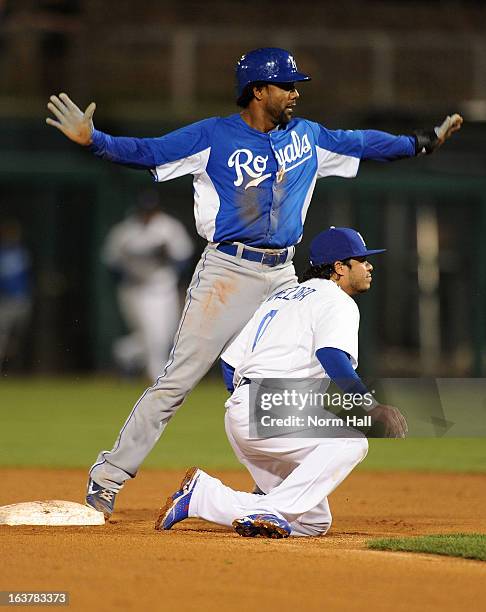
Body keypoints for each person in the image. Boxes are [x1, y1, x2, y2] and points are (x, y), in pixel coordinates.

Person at [45, 47, 460, 517]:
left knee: (285, 377)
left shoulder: (308, 137)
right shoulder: (213, 136)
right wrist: (94, 141)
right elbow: (149, 152)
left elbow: (363, 142)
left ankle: (272, 484)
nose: (295, 93)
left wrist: (419, 142)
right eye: (286, 85)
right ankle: (108, 477)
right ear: (257, 91)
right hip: (227, 272)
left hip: (283, 272)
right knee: (175, 382)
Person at [154, 227, 407, 538]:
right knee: (351, 440)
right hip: (268, 411)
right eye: (362, 261)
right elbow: (331, 355)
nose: (369, 267)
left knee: (311, 523)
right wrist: (370, 406)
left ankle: (205, 498)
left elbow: (230, 364)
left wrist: (247, 412)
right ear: (340, 268)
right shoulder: (337, 301)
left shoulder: (282, 298)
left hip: (242, 414)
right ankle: (246, 503)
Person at [102, 191, 194, 381]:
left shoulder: (168, 227)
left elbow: (183, 258)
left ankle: (125, 353)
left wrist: (171, 268)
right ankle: (158, 380)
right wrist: (128, 279)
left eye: (151, 209)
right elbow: (111, 263)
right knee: (155, 338)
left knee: (165, 336)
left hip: (163, 286)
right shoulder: (125, 232)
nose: (147, 213)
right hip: (135, 290)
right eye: (144, 209)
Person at [0, 219, 32, 372]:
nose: (13, 237)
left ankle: (18, 369)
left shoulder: (22, 252)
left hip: (22, 300)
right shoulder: (1, 253)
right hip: (4, 301)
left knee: (18, 338)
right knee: (2, 337)